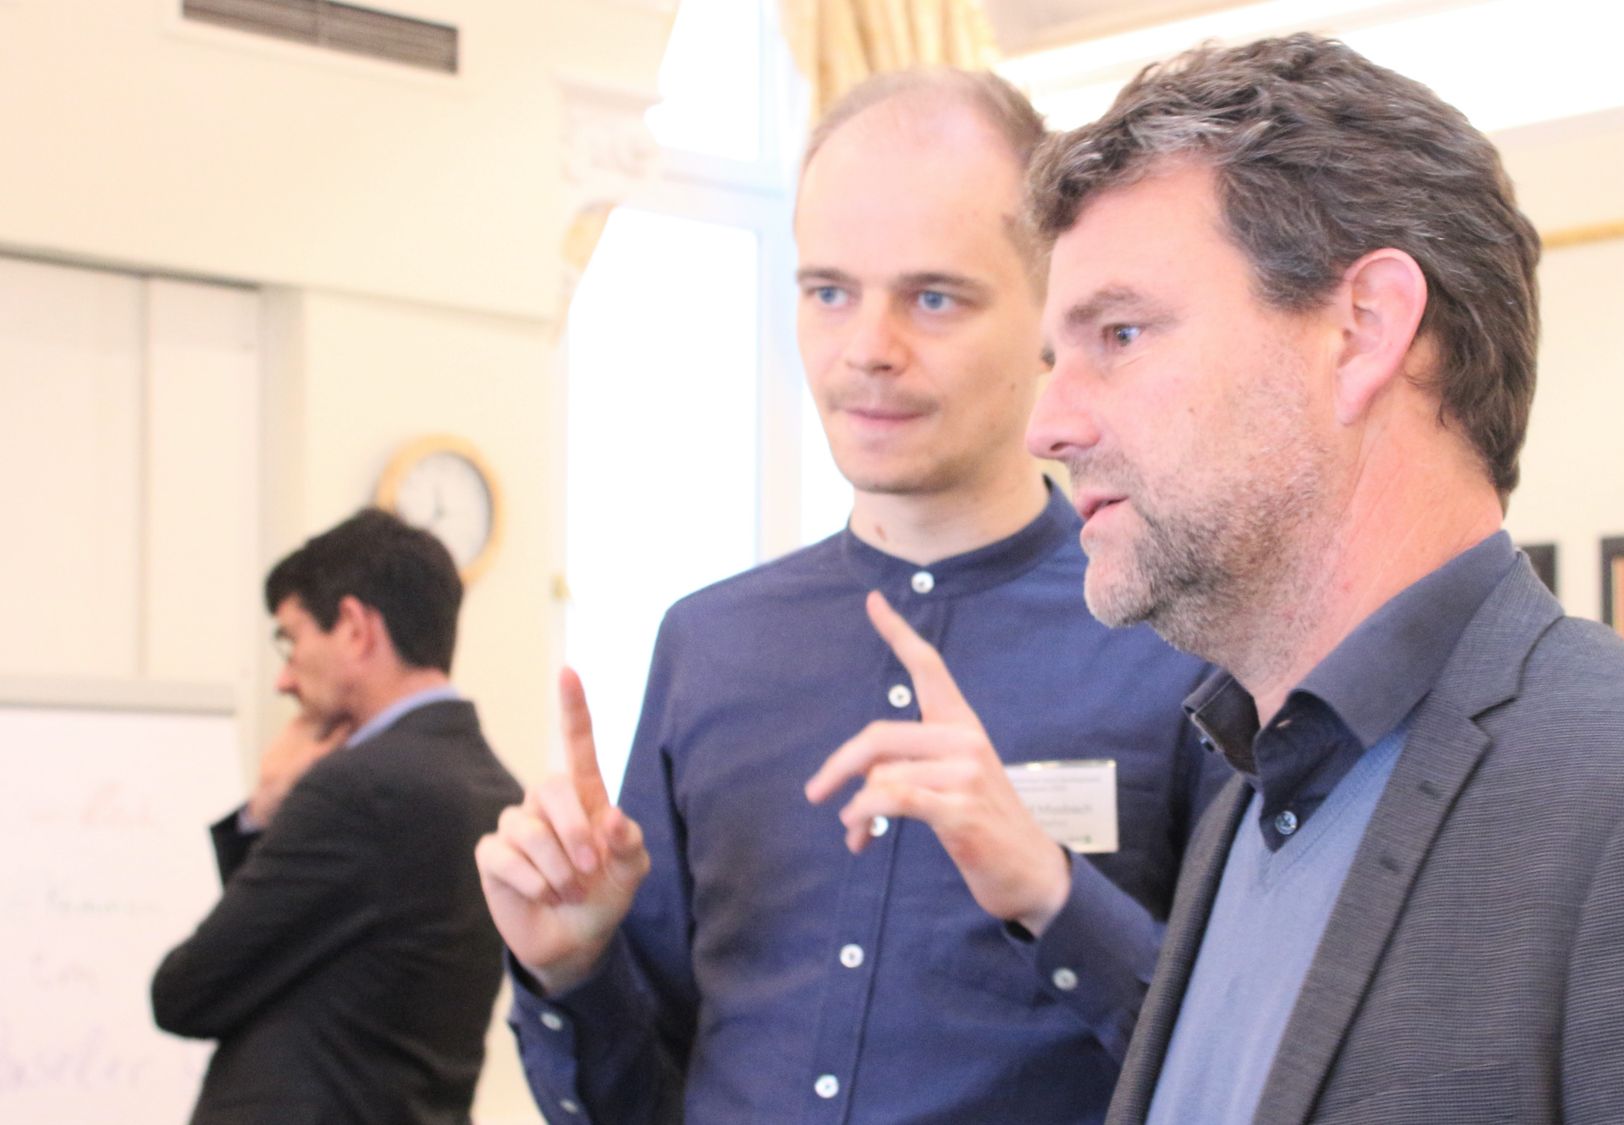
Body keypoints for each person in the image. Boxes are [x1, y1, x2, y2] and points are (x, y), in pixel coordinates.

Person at [1013, 33, 1624, 1124]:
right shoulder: (1252, 806)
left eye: (1118, 334)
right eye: (1053, 359)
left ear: (1362, 332)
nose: (1048, 424)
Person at [477, 69, 1223, 1124]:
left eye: (933, 297)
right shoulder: (709, 645)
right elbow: (635, 1101)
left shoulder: (1170, 643)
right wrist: (570, 970)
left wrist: (1050, 896)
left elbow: (1249, 1067)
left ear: (1048, 313)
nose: (867, 348)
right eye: (827, 290)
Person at [152, 509, 524, 1124]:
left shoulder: (357, 788)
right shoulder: (496, 788)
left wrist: (264, 808)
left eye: (292, 640)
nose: (283, 678)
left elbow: (187, 993)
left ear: (353, 628)